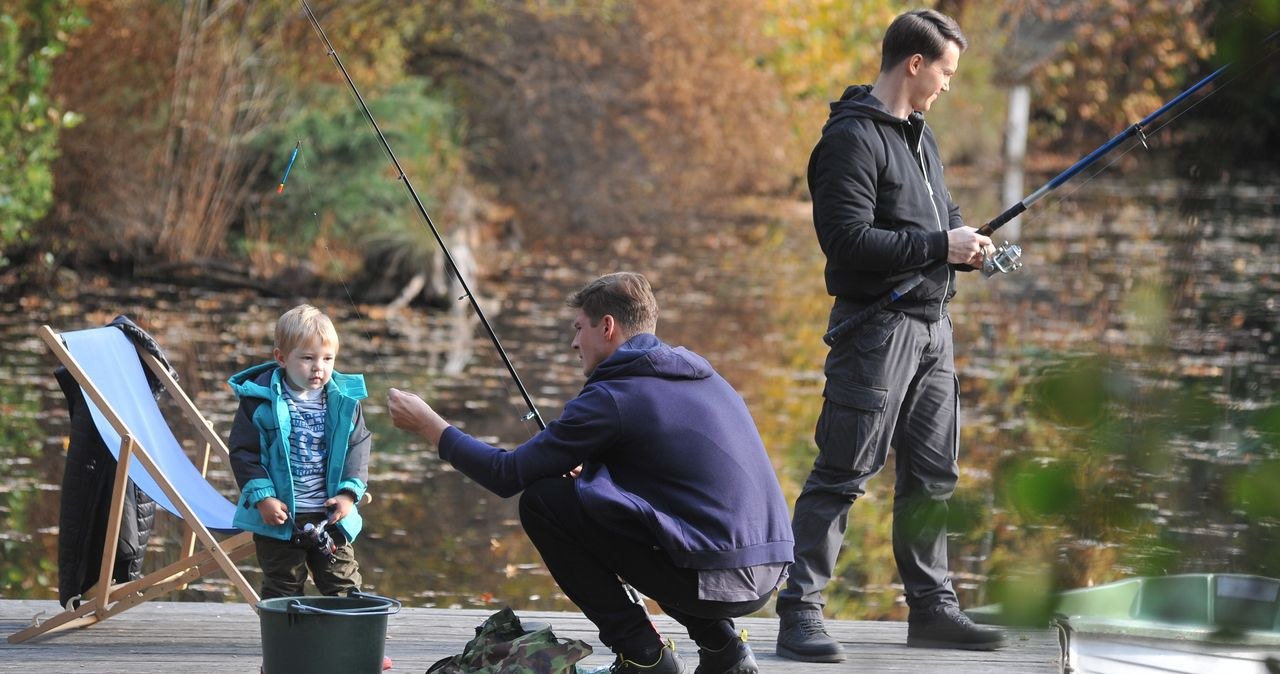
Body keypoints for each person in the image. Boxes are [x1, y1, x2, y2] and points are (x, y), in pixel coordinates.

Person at [388, 272, 794, 674]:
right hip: (767, 571)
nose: (574, 342)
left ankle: (645, 658)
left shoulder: (614, 396)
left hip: (711, 578)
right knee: (594, 500)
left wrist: (431, 426)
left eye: (579, 328)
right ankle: (725, 650)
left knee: (544, 502)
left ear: (607, 327)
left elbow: (506, 474)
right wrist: (597, 476)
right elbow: (678, 481)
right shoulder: (703, 376)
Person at [774, 9, 1008, 662]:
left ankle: (933, 611)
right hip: (876, 331)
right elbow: (846, 242)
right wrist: (940, 243)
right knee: (843, 472)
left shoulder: (919, 136)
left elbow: (942, 211)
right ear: (914, 64)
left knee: (933, 477)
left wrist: (969, 243)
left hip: (935, 329)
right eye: (946, 72)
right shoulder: (850, 141)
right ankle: (799, 612)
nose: (949, 85)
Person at [228, 304, 372, 599]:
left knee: (342, 584)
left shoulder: (344, 401)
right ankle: (286, 643)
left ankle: (346, 643)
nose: (319, 367)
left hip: (330, 516)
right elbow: (244, 452)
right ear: (281, 358)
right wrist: (263, 497)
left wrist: (348, 494)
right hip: (280, 518)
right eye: (307, 358)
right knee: (282, 585)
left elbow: (358, 446)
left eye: (327, 358)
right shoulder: (259, 401)